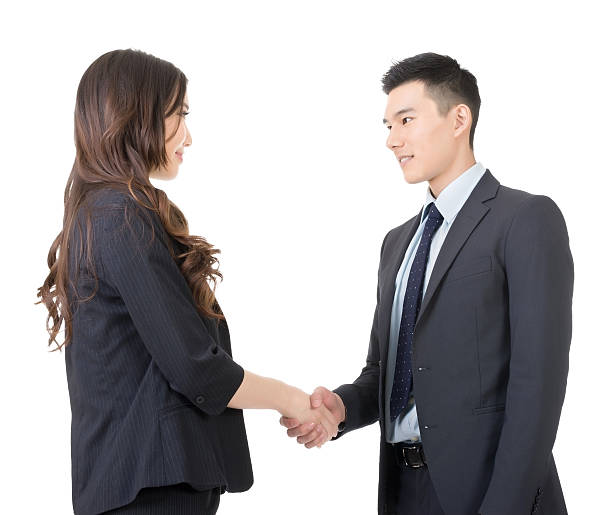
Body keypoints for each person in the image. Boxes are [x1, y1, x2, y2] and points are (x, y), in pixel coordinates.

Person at [36, 48, 336, 515]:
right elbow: (197, 368)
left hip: (142, 486)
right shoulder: (119, 217)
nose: (189, 136)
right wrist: (293, 399)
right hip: (150, 490)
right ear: (138, 117)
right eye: (180, 115)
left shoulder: (103, 215)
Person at [281, 52, 573, 515]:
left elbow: (538, 386)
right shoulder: (397, 243)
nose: (392, 140)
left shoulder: (525, 219)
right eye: (387, 126)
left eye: (406, 120)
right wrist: (341, 408)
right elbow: (387, 369)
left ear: (459, 119)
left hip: (489, 492)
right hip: (401, 490)